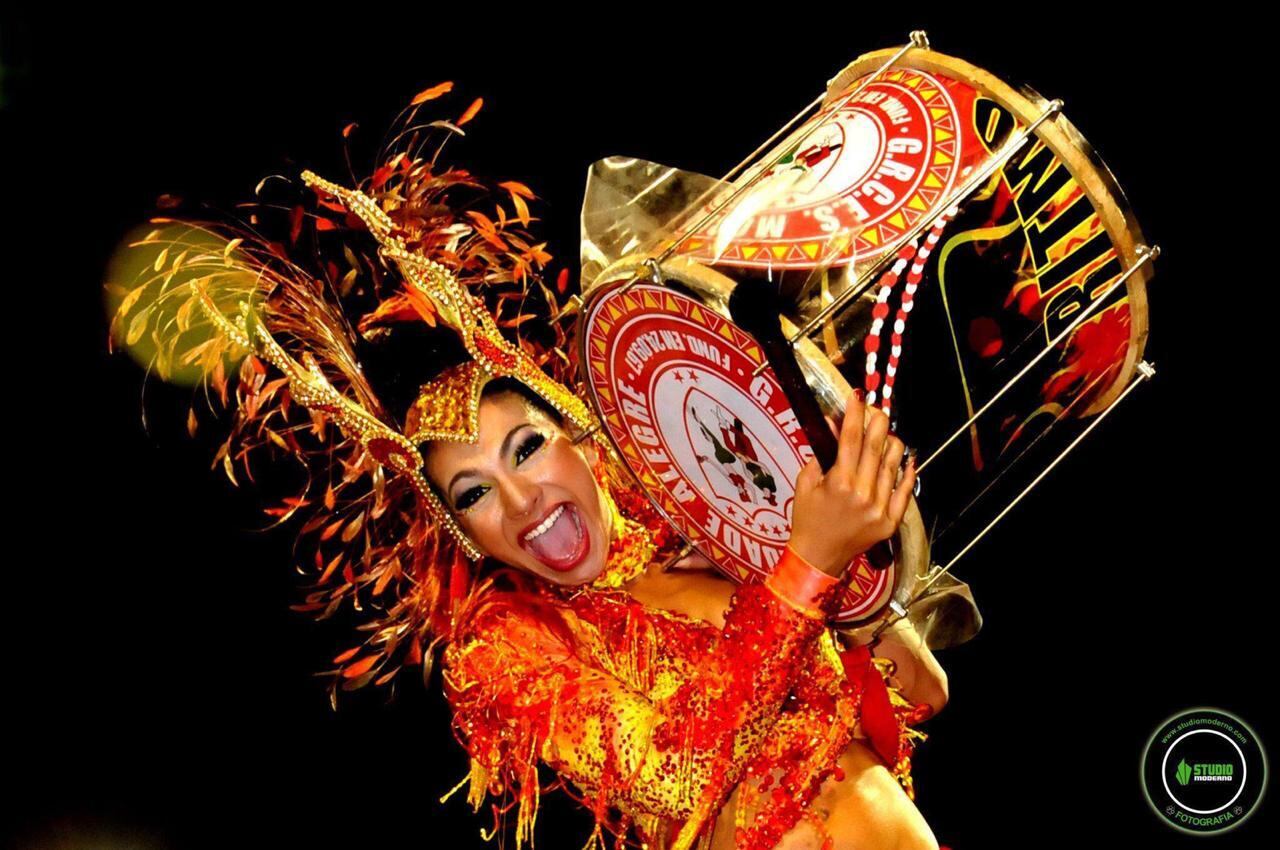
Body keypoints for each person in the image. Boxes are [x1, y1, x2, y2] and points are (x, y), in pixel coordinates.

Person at [106, 89, 948, 850]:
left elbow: (924, 693)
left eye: (525, 449)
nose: (520, 501)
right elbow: (681, 778)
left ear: (580, 433)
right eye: (473, 493)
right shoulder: (510, 654)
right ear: (463, 533)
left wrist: (840, 574)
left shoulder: (708, 523)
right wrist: (807, 567)